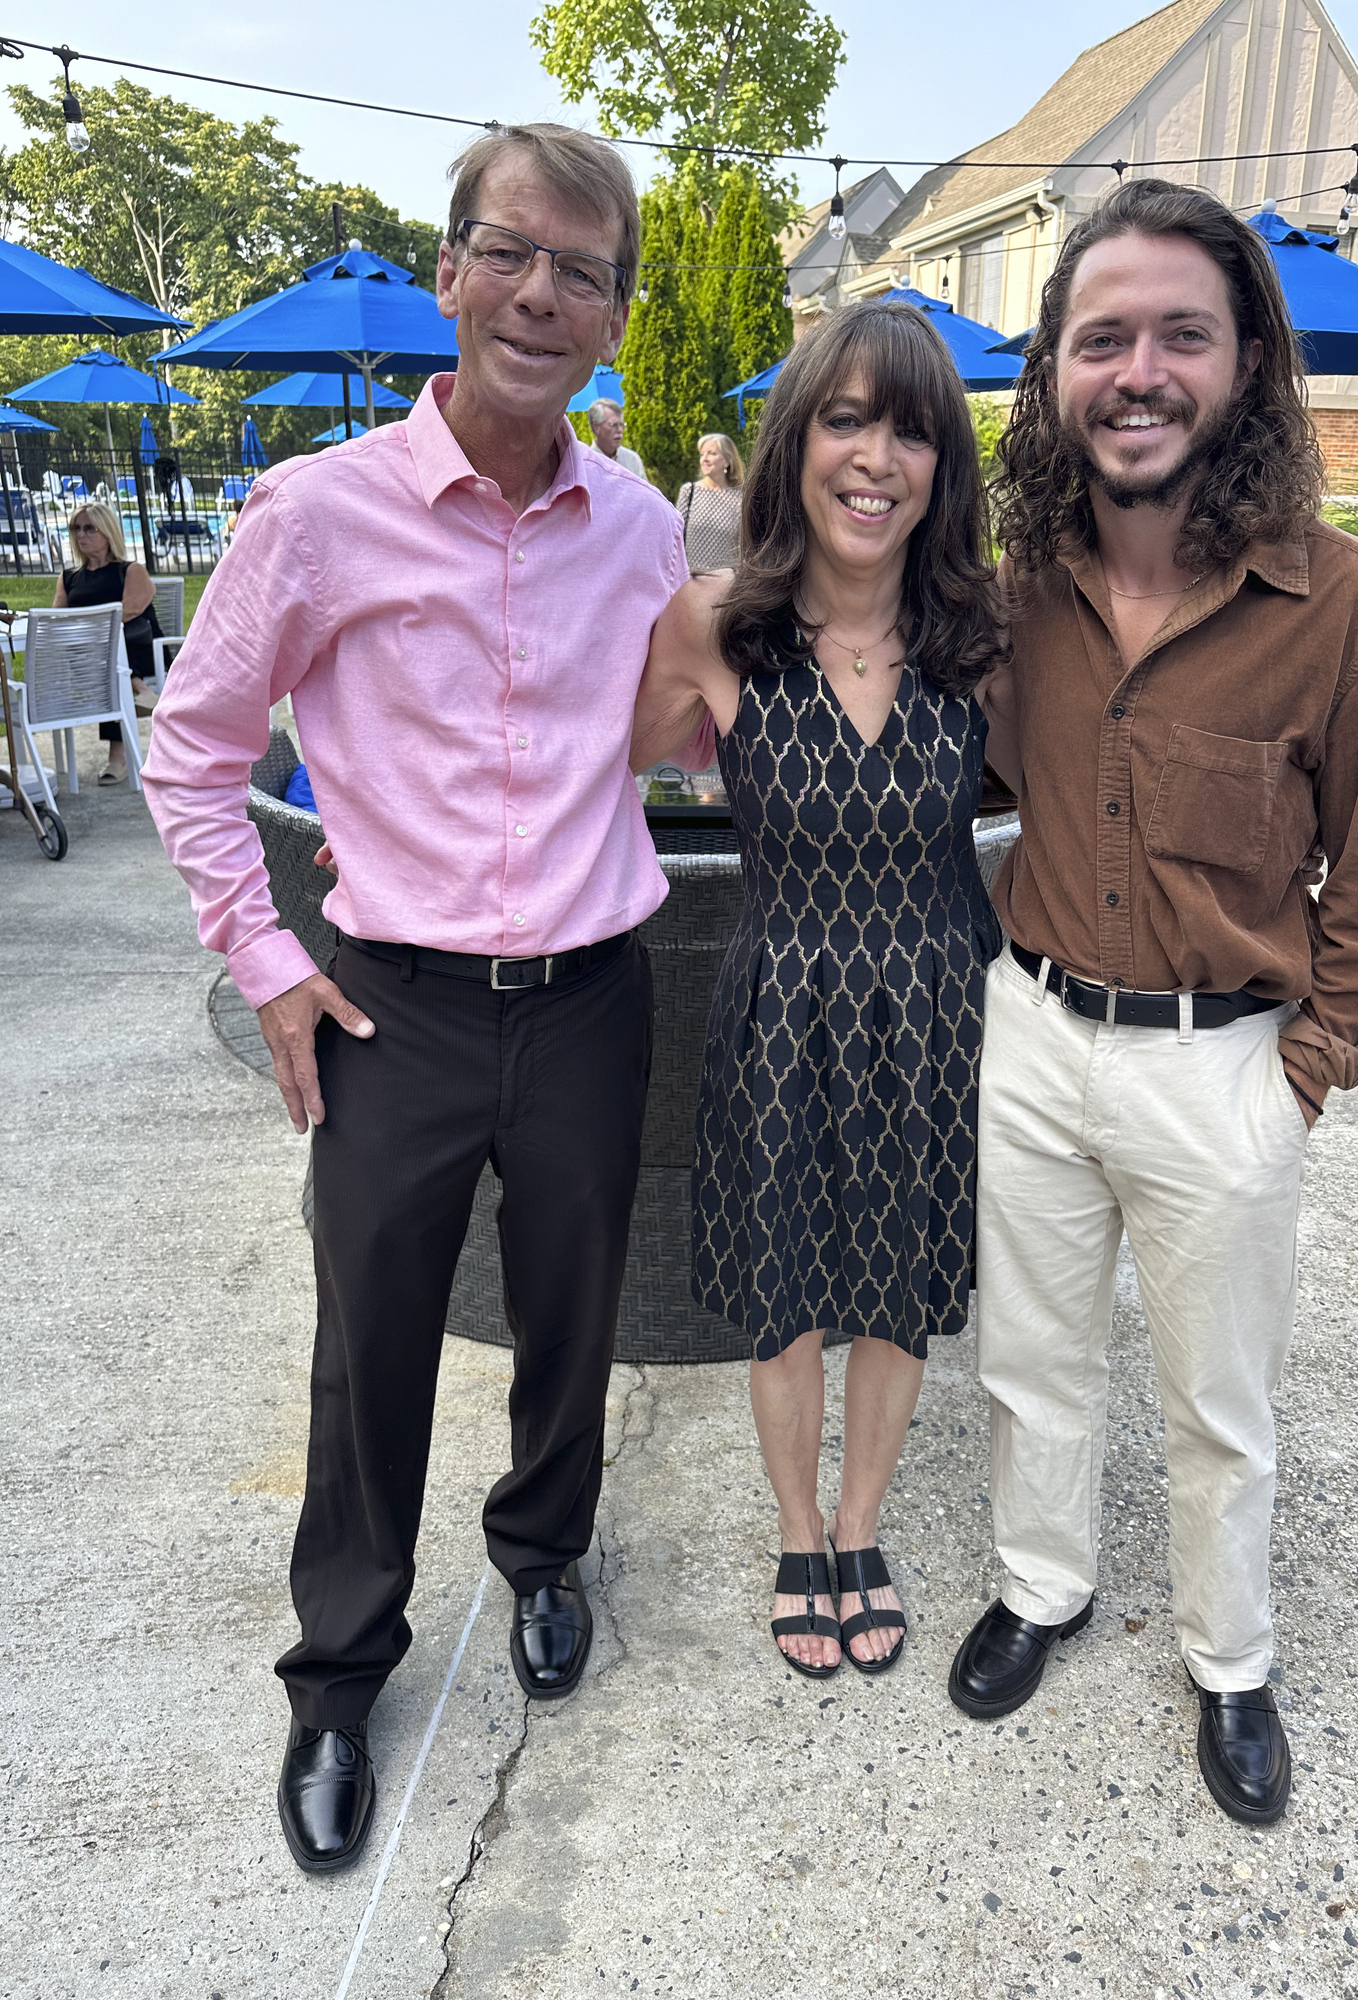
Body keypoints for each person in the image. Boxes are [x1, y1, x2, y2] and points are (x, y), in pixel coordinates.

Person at [144, 121, 686, 1875]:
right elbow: (194, 754)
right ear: (450, 270)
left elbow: (673, 738)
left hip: (595, 987)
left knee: (573, 1305)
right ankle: (337, 1670)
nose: (541, 293)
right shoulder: (315, 517)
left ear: (613, 310)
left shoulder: (646, 530)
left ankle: (542, 1552)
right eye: (510, 252)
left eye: (582, 269)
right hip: (396, 1003)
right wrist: (271, 962)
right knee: (367, 1337)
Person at [949, 178, 1358, 1826]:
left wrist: (1301, 1073)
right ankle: (1042, 1586)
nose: (1139, 370)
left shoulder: (1354, 611)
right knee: (1030, 1358)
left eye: (1182, 333)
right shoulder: (1016, 591)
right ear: (1057, 375)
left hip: (1222, 1064)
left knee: (1216, 1393)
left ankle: (1231, 1659)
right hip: (1027, 1035)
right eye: (1103, 338)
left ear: (1247, 360)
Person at [633, 300, 1009, 1680]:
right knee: (787, 1290)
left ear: (939, 467)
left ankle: (863, 1526)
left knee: (898, 1287)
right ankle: (799, 1534)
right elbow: (588, 772)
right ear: (796, 446)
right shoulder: (718, 627)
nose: (876, 456)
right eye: (846, 418)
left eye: (910, 428)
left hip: (937, 1010)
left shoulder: (981, 633)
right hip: (779, 1003)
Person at [53, 502, 161, 784]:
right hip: (92, 656)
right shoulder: (68, 578)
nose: (81, 535)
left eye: (89, 528)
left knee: (112, 655)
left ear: (108, 531)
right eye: (76, 528)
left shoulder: (130, 571)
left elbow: (129, 612)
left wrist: (88, 628)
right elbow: (56, 621)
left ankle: (118, 758)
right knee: (107, 661)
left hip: (134, 650)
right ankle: (137, 687)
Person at [675, 432, 744, 573]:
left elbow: (745, 548)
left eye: (711, 453)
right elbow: (676, 539)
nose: (704, 459)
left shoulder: (740, 499)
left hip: (725, 585)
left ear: (727, 461)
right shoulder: (689, 492)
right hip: (691, 581)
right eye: (702, 454)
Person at [587, 396, 644, 477]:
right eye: (613, 425)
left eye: (621, 425)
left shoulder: (633, 460)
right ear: (596, 427)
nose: (619, 430)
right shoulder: (586, 463)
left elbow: (644, 489)